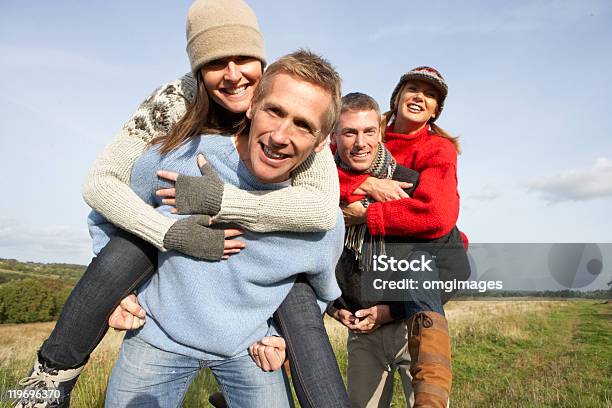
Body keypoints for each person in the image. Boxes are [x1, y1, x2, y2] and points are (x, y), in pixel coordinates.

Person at [15, 1, 349, 407]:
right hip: (164, 328)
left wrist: (224, 202)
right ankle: (45, 384)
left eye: (244, 58)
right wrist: (146, 258)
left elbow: (321, 225)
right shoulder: (176, 121)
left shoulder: (302, 128)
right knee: (132, 242)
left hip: (246, 336)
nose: (232, 74)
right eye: (214, 62)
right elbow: (105, 188)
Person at [100, 49, 344, 407]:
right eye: (274, 111)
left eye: (303, 124)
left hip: (248, 347)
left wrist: (276, 336)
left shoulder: (318, 218)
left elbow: (322, 289)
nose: (280, 135)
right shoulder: (184, 157)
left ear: (322, 142)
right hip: (155, 336)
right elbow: (109, 206)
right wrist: (116, 289)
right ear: (252, 106)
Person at [333, 69, 470, 408]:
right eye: (412, 88)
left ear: (436, 109)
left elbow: (436, 216)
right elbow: (315, 176)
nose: (419, 96)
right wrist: (365, 185)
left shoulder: (436, 151)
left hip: (409, 294)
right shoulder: (363, 138)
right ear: (395, 98)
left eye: (430, 93)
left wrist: (367, 213)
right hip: (365, 296)